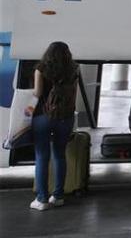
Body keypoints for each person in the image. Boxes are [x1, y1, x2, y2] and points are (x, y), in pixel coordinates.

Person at [30, 42, 79, 211]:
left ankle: (42, 199)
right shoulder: (73, 70)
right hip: (65, 118)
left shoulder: (41, 68)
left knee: (42, 156)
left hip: (43, 116)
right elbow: (74, 95)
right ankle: (58, 196)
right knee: (59, 155)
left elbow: (37, 93)